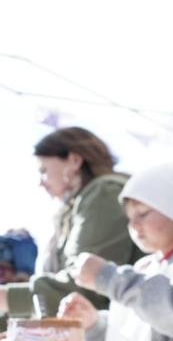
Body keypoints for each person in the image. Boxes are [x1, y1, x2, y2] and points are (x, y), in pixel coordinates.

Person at [59, 162, 173, 341]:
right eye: (129, 218)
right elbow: (132, 339)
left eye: (142, 214)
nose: (133, 225)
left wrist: (108, 278)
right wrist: (94, 323)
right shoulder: (145, 266)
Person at [0, 127, 141, 327]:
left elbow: (87, 285)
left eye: (44, 171)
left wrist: (6, 298)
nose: (41, 183)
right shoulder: (76, 207)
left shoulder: (103, 193)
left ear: (74, 160)